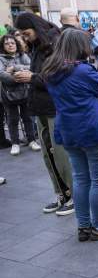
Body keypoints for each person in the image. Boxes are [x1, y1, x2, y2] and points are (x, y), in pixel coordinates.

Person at [42, 29, 98, 242]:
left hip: (68, 129)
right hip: (92, 129)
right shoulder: (82, 71)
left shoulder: (51, 71)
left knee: (80, 178)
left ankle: (83, 226)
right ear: (80, 47)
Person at [13, 13, 74, 216]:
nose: (25, 37)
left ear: (35, 27)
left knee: (61, 154)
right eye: (22, 35)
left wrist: (33, 77)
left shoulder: (56, 41)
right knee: (48, 154)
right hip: (40, 107)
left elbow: (62, 76)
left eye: (26, 33)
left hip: (55, 107)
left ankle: (73, 196)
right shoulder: (39, 44)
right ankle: (61, 194)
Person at [0, 35, 40, 155]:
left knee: (27, 117)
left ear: (16, 44)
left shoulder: (23, 55)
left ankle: (32, 140)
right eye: (7, 43)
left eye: (12, 43)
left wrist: (15, 68)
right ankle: (15, 143)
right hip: (9, 94)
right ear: (3, 46)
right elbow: (1, 74)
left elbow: (31, 68)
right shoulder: (0, 58)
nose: (10, 45)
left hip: (25, 92)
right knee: (12, 120)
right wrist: (18, 78)